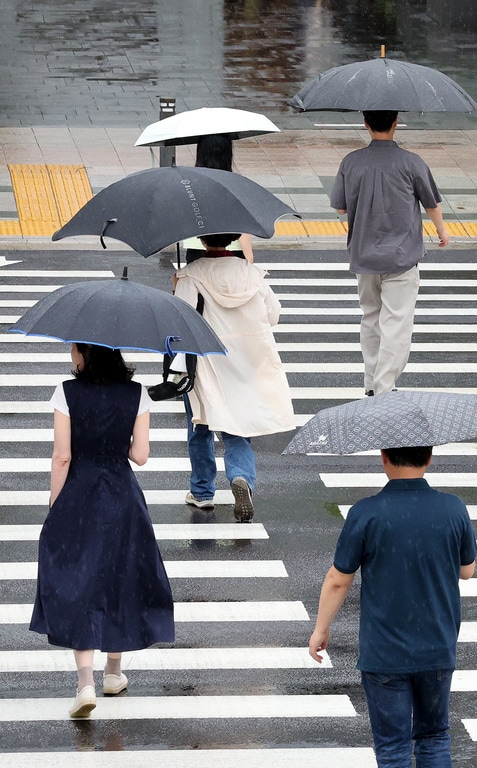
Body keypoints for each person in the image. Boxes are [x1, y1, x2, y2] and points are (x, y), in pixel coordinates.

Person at [310, 445, 477, 767]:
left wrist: (321, 628)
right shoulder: (452, 508)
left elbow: (337, 579)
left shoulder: (367, 512)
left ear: (384, 458)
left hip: (384, 652)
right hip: (437, 647)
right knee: (434, 737)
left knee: (393, 748)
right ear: (429, 458)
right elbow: (466, 570)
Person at [32, 343, 174, 718]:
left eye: (73, 348)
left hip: (79, 495)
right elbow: (140, 455)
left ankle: (84, 683)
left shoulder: (67, 392)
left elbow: (62, 456)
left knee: (81, 582)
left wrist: (54, 507)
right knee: (120, 579)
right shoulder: (137, 393)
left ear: (84, 353)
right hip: (123, 498)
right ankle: (113, 672)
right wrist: (117, 441)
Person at [174, 233, 295, 522]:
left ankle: (202, 491)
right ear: (232, 242)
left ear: (202, 242)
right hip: (246, 361)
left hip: (206, 362)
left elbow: (181, 319)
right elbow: (273, 315)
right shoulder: (252, 275)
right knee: (238, 425)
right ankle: (241, 477)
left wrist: (178, 285)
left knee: (200, 424)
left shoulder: (191, 276)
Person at [331, 110, 450, 397]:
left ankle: (372, 383)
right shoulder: (411, 162)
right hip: (401, 256)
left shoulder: (351, 162)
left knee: (370, 317)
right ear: (396, 123)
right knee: (396, 322)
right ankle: (384, 387)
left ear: (365, 123)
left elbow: (341, 207)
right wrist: (441, 230)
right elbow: (431, 202)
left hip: (363, 255)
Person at [180, 134, 255, 263]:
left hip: (196, 249)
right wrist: (249, 255)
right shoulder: (234, 183)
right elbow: (242, 222)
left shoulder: (190, 183)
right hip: (231, 250)